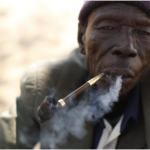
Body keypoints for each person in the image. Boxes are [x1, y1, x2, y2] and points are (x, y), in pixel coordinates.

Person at [1, 0, 150, 149]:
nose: (127, 47)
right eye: (108, 27)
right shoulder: (43, 85)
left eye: (144, 32)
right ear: (81, 37)